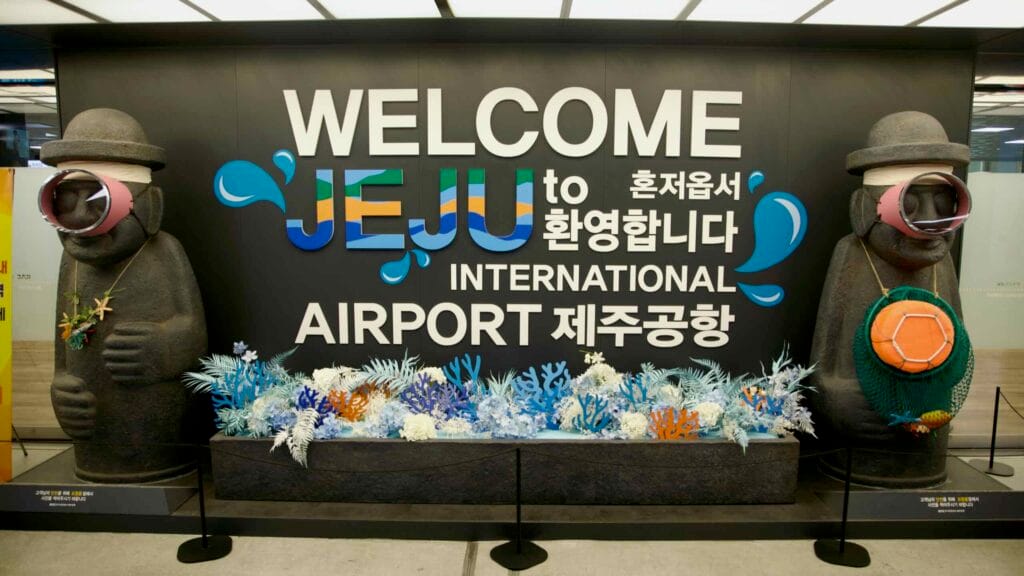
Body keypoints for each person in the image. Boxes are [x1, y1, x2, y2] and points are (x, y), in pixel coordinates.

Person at [40, 108, 207, 483]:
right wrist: (61, 386)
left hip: (155, 434)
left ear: (149, 205)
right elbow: (61, 347)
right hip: (93, 434)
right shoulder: (73, 265)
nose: (81, 216)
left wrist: (165, 346)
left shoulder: (164, 252)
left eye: (98, 200)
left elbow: (193, 332)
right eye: (66, 200)